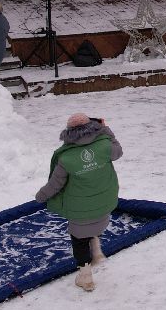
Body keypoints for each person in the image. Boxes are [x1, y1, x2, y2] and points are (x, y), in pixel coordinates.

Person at [36, 113, 121, 293]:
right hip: (104, 203)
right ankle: (96, 249)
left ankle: (85, 277)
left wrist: (41, 196)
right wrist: (106, 129)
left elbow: (55, 185)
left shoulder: (66, 158)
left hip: (80, 211)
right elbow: (118, 150)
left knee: (79, 239)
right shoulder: (105, 146)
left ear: (69, 133)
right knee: (93, 224)